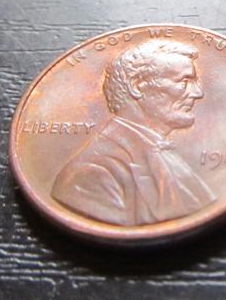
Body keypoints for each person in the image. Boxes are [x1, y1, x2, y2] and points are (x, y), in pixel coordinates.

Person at [51, 40, 216, 226]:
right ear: (136, 86)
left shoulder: (163, 154)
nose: (198, 93)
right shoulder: (90, 174)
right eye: (184, 81)